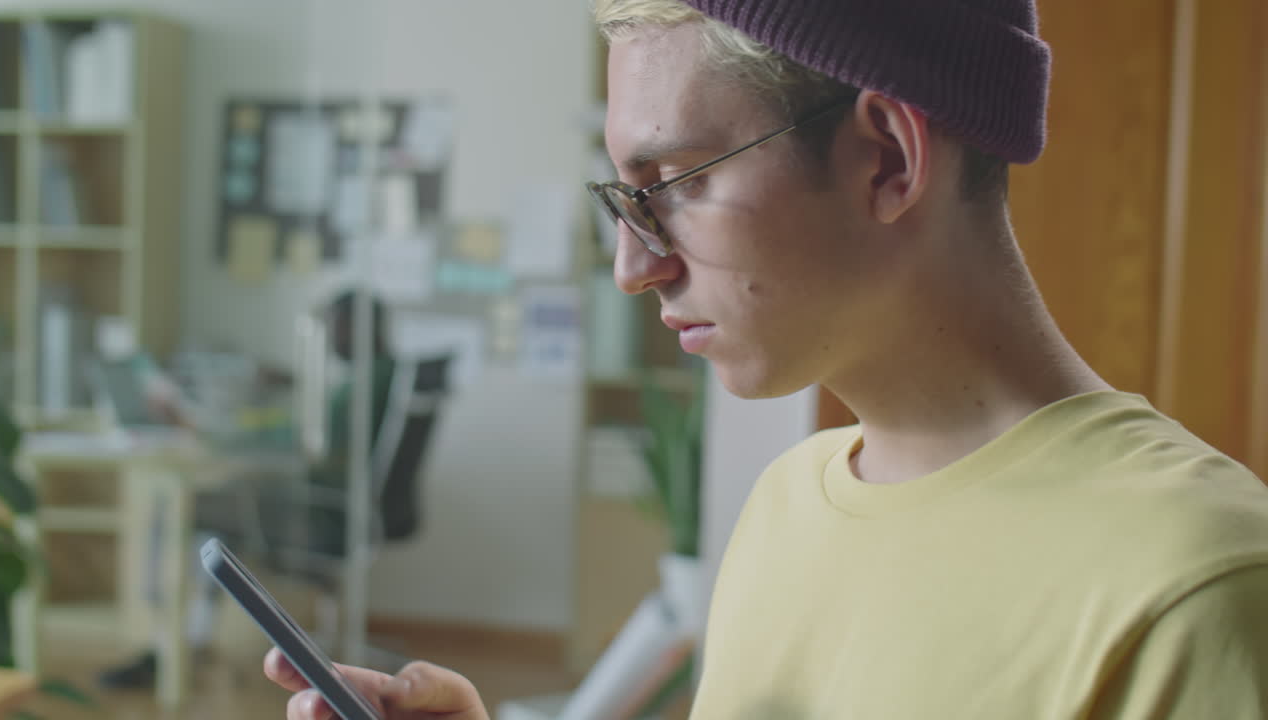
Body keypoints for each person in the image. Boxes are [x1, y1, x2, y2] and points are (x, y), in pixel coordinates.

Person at [265, 1, 1268, 717]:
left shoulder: (1189, 594)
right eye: (623, 195)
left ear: (885, 157)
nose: (632, 264)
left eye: (673, 183)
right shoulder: (788, 505)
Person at [100, 289, 395, 690]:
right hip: (336, 507)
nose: (328, 337)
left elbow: (305, 442)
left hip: (322, 515)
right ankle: (192, 642)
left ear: (356, 327)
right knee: (219, 511)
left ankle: (164, 645)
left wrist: (205, 431)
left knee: (183, 509)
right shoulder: (378, 374)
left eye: (333, 326)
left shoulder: (366, 382)